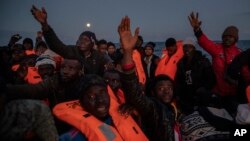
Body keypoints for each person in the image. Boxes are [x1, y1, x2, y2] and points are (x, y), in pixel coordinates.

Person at [118, 16, 180, 141]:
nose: (166, 91)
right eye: (161, 88)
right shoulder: (153, 108)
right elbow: (135, 95)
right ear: (153, 92)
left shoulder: (176, 107)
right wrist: (128, 52)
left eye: (169, 88)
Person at [53, 74, 149, 141]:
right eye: (91, 97)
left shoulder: (124, 113)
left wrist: (137, 114)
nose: (100, 100)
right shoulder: (71, 137)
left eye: (103, 94)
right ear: (81, 102)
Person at [3, 57, 83, 134]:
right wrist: (6, 89)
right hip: (58, 125)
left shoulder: (87, 84)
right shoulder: (54, 81)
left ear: (80, 71)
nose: (65, 71)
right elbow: (35, 89)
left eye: (71, 68)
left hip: (79, 127)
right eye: (63, 67)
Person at [31, 5, 108, 76]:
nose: (82, 41)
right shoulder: (72, 51)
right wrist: (44, 24)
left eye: (86, 40)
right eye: (80, 39)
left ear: (92, 43)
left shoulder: (99, 57)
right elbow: (55, 45)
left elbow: (102, 76)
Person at [188, 12, 241, 97]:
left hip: (236, 94)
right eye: (225, 36)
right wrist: (197, 29)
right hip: (218, 92)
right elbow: (205, 42)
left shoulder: (240, 53)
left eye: (230, 37)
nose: (227, 38)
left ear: (235, 39)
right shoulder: (217, 49)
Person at [175, 38, 216, 114]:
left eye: (189, 47)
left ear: (194, 48)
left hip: (201, 96)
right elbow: (178, 81)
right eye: (185, 46)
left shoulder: (203, 61)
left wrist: (203, 88)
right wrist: (178, 94)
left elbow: (211, 79)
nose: (186, 49)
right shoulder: (180, 63)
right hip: (187, 97)